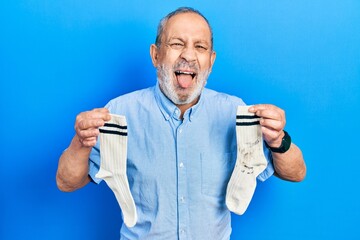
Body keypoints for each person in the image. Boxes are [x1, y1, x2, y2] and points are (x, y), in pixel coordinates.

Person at [56, 7, 306, 240]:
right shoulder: (119, 113)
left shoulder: (234, 112)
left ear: (211, 60)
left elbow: (297, 173)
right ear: (156, 55)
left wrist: (278, 140)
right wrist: (81, 143)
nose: (188, 55)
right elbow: (66, 182)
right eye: (177, 44)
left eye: (200, 47)